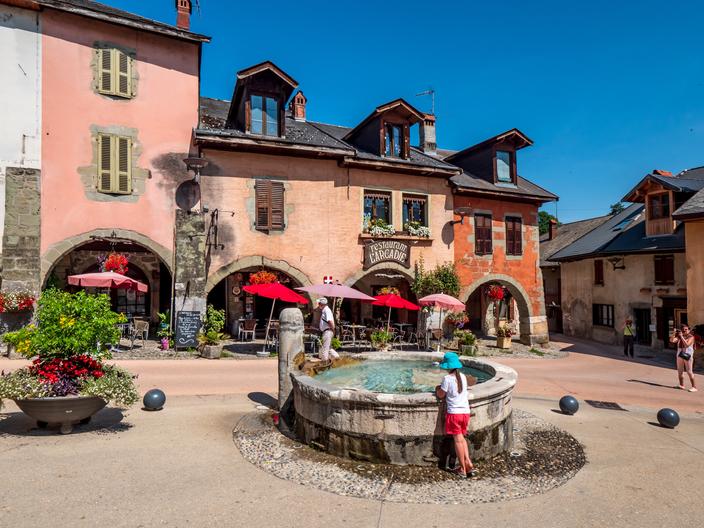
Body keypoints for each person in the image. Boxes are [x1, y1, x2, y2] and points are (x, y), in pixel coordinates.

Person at [435, 352, 476, 478]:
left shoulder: (447, 379)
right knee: (462, 439)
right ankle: (468, 463)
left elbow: (441, 395)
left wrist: (437, 389)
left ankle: (463, 469)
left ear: (447, 366)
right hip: (465, 412)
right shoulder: (463, 377)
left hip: (455, 414)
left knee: (458, 441)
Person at [669, 324, 698, 392]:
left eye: (686, 329)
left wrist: (681, 337)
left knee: (689, 371)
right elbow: (672, 340)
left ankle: (694, 387)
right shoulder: (679, 336)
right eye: (683, 330)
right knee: (680, 371)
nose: (684, 331)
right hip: (680, 355)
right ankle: (681, 385)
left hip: (687, 355)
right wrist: (674, 333)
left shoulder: (691, 337)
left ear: (689, 330)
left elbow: (687, 345)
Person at [317, 297, 338, 362]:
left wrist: (333, 330)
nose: (318, 304)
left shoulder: (326, 310)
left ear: (321, 304)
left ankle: (325, 363)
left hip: (327, 331)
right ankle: (337, 358)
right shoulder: (325, 310)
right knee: (328, 348)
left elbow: (329, 321)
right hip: (327, 331)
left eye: (319, 303)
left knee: (325, 349)